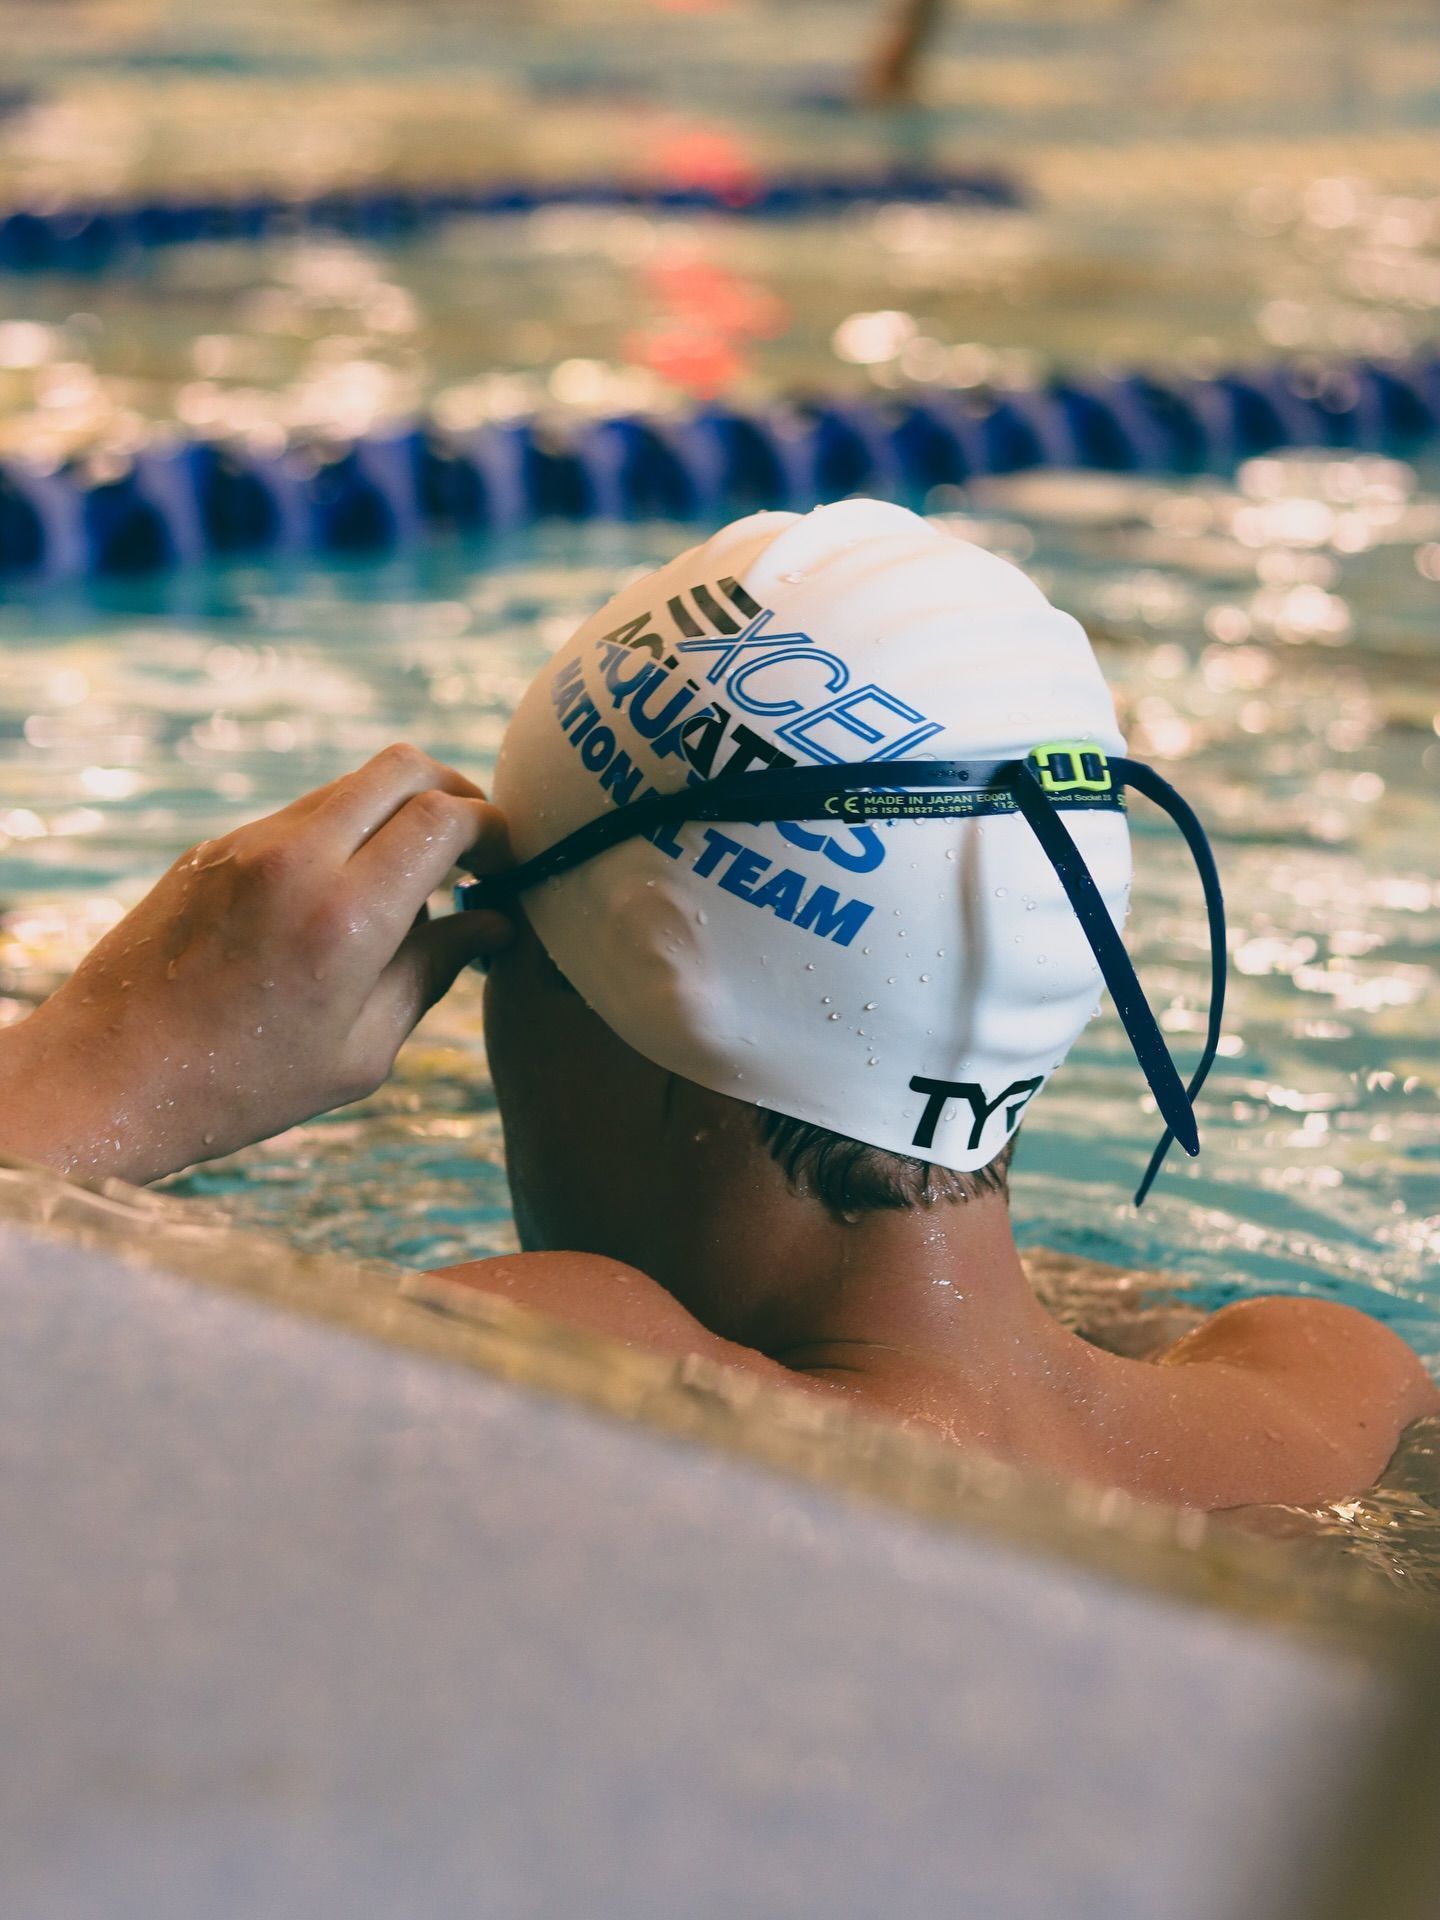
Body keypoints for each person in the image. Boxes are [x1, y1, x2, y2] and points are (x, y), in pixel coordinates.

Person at [1, 502, 1432, 1510]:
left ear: (650, 977)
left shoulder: (569, 1360)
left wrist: (96, 1071)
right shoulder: (1326, 1392)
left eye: (492, 945)